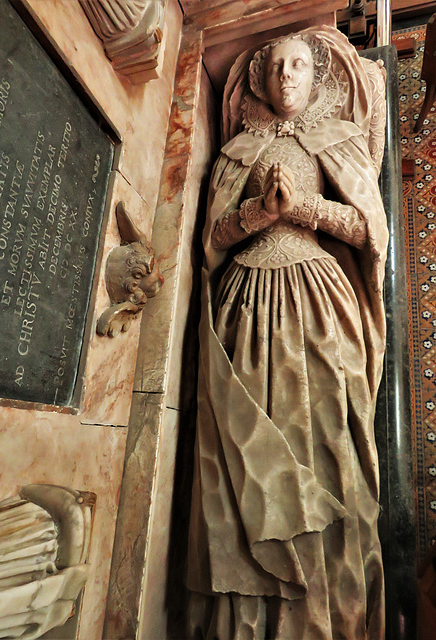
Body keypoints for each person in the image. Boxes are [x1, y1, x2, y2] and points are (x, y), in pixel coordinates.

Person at [187, 26, 389, 640]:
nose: (286, 77)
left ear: (316, 75)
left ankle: (321, 615)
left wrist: (298, 210)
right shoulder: (237, 150)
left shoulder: (338, 138)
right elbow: (212, 239)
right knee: (241, 456)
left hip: (317, 305)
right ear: (259, 79)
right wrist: (258, 214)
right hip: (244, 307)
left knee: (322, 443)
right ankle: (251, 618)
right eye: (276, 67)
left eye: (298, 66)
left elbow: (365, 229)